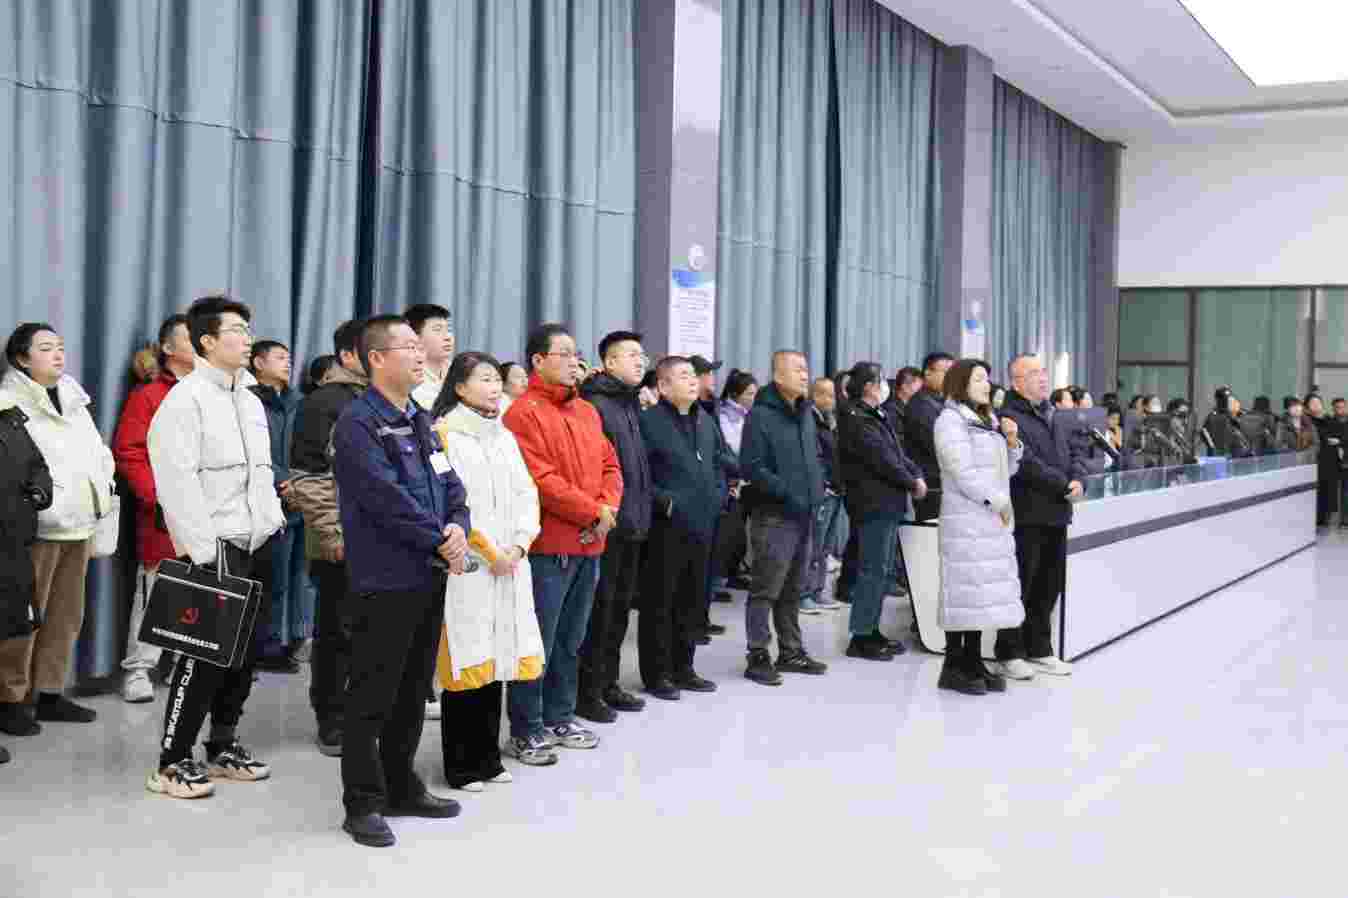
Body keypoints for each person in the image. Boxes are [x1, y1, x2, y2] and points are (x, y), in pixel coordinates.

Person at [331, 314, 470, 847]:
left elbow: (450, 484)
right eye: (408, 346)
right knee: (372, 694)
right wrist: (440, 538)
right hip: (385, 578)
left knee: (413, 691)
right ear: (376, 359)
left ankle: (401, 785)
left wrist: (458, 526)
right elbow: (385, 498)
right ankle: (362, 802)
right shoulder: (358, 423)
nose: (420, 354)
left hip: (428, 574)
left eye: (419, 346)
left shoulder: (419, 417)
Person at [145, 295, 287, 799]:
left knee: (245, 654)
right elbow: (176, 483)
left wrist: (272, 522)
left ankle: (222, 743)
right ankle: (171, 761)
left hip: (259, 539)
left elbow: (260, 473)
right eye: (236, 331)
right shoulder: (184, 401)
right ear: (206, 341)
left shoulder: (249, 398)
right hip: (216, 547)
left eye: (248, 329)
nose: (247, 339)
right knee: (201, 657)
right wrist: (203, 551)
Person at [503, 323, 622, 763]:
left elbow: (611, 466)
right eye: (565, 354)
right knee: (539, 641)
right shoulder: (522, 413)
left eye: (576, 354)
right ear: (538, 360)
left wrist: (606, 509)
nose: (575, 362)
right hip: (548, 546)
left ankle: (560, 716)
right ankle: (526, 728)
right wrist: (593, 513)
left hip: (590, 544)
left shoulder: (587, 411)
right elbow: (540, 479)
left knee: (571, 640)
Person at [429, 352, 542, 792]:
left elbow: (526, 493)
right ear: (459, 388)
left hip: (510, 562)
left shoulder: (504, 436)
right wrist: (489, 551)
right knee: (468, 658)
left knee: (498, 659)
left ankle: (488, 758)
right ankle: (460, 766)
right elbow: (452, 502)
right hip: (471, 566)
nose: (495, 387)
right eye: (484, 379)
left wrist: (520, 543)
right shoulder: (445, 435)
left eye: (497, 379)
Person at [0, 324, 114, 739]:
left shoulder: (73, 397)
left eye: (60, 347)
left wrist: (103, 487)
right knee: (23, 620)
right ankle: (11, 699)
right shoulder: (8, 402)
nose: (58, 355)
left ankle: (49, 691)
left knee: (66, 617)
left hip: (79, 522)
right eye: (46, 348)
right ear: (21, 358)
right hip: (38, 528)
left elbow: (96, 452)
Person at [289, 320, 369, 756]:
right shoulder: (324, 402)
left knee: (372, 634)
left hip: (383, 542)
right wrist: (333, 532)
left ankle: (364, 713)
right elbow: (310, 475)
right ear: (348, 356)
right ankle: (331, 717)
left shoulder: (384, 399)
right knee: (337, 633)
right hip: (339, 539)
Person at [112, 313, 195, 704]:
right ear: (167, 348)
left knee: (198, 592)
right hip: (164, 513)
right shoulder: (149, 395)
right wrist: (158, 496)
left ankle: (184, 664)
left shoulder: (214, 393)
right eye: (189, 337)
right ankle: (139, 669)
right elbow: (129, 451)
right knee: (156, 590)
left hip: (209, 511)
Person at [933, 359, 1024, 694]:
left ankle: (972, 661)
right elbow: (963, 472)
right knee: (963, 591)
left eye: (987, 379)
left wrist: (1012, 443)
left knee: (978, 595)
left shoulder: (987, 420)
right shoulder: (950, 421)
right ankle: (953, 666)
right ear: (961, 384)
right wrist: (997, 501)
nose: (987, 385)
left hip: (987, 519)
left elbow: (1004, 471)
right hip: (966, 519)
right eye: (979, 379)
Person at [575, 331, 652, 724]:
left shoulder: (627, 402)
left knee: (619, 611)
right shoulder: (596, 403)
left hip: (632, 523)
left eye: (642, 355)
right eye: (631, 355)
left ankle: (608, 683)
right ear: (608, 362)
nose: (641, 361)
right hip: (607, 525)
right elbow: (595, 468)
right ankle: (586, 692)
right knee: (599, 613)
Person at [637, 356, 726, 698]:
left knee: (692, 598)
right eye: (684, 375)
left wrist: (718, 495)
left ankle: (684, 667)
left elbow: (718, 463)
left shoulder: (704, 419)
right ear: (662, 385)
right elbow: (638, 474)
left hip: (702, 522)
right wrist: (665, 502)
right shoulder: (648, 421)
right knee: (661, 600)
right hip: (666, 525)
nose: (693, 381)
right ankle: (657, 674)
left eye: (693, 375)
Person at [739, 350, 829, 686]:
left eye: (806, 369)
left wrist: (817, 490)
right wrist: (789, 494)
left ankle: (791, 650)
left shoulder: (805, 412)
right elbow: (752, 467)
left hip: (805, 514)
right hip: (774, 515)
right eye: (798, 370)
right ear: (778, 376)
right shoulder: (761, 415)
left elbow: (814, 457)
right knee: (765, 588)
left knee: (793, 588)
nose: (805, 375)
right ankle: (757, 654)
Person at [995, 353, 1082, 681]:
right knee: (1021, 585)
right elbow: (1026, 463)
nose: (1043, 377)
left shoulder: (1053, 413)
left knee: (1049, 586)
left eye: (1043, 371)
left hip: (1057, 512)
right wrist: (1062, 484)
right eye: (1033, 373)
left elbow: (1072, 452)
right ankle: (1009, 652)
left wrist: (1078, 479)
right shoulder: (1008, 417)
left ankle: (1040, 649)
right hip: (1028, 513)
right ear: (1017, 382)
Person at [835, 362, 926, 660]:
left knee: (881, 571)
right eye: (879, 381)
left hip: (886, 502)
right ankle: (861, 636)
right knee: (872, 571)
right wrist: (911, 482)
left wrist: (915, 473)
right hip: (873, 503)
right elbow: (882, 459)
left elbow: (897, 453)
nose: (884, 386)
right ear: (868, 387)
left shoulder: (875, 415)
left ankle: (871, 630)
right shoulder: (857, 419)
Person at [248, 340, 313, 673]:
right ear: (258, 363)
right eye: (279, 358)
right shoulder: (248, 400)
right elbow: (252, 452)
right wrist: (282, 480)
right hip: (266, 501)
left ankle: (296, 639)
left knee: (299, 576)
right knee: (271, 580)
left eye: (289, 358)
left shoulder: (300, 402)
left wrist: (300, 482)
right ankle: (266, 646)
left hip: (301, 500)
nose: (288, 363)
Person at [0, 387, 51, 766]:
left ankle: (8, 706)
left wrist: (39, 491)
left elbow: (37, 464)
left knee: (12, 627)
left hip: (12, 541)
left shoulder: (9, 415)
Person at [799, 376, 844, 615]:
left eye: (833, 395)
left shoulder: (830, 421)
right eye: (827, 394)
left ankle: (817, 591)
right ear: (815, 396)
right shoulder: (809, 421)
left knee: (826, 546)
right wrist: (823, 484)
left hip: (836, 490)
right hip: (822, 492)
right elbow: (814, 458)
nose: (832, 399)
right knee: (813, 545)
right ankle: (803, 594)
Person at [906, 352, 955, 521]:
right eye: (946, 372)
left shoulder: (941, 402)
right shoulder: (922, 405)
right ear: (928, 373)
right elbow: (939, 444)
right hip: (932, 484)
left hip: (943, 482)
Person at [407, 304, 455, 411]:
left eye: (449, 330)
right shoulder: (410, 378)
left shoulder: (459, 370)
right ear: (415, 337)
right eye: (438, 330)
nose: (448, 337)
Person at [1306, 394, 1342, 527]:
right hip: (1316, 460)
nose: (1316, 405)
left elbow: (1342, 436)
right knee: (1317, 490)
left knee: (1329, 490)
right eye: (1312, 403)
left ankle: (1325, 518)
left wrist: (1339, 441)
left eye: (1318, 402)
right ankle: (1316, 519)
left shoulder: (1330, 420)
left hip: (1331, 460)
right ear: (1307, 407)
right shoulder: (1308, 422)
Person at [717, 369, 758, 456]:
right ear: (735, 394)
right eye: (750, 394)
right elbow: (734, 446)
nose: (754, 398)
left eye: (755, 394)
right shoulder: (724, 415)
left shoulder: (748, 413)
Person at [883, 366, 924, 448]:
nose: (921, 391)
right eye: (919, 387)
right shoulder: (891, 411)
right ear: (904, 386)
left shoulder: (912, 407)